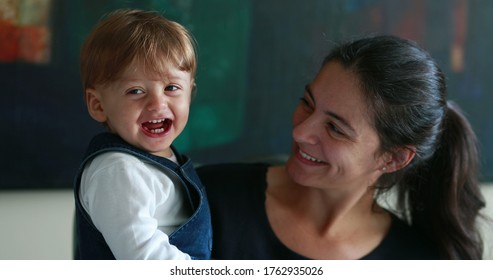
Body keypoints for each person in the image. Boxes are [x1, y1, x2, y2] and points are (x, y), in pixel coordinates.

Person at [197, 35, 486, 259]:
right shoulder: (209, 197)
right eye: (307, 103)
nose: (300, 132)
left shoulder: (417, 262)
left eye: (335, 128)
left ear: (393, 158)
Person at [73, 9, 211, 260]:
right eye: (136, 91)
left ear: (190, 92)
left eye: (171, 88)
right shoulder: (118, 170)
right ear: (98, 105)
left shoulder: (162, 161)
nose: (157, 104)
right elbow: (144, 257)